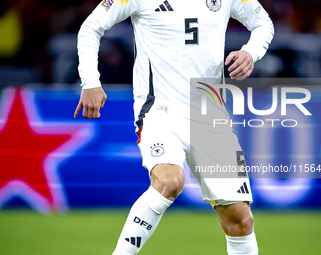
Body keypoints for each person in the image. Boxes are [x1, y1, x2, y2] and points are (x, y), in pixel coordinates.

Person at [74, 0, 274, 254]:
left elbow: (263, 23)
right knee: (169, 181)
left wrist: (250, 52)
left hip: (210, 116)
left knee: (240, 218)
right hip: (160, 111)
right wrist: (90, 80)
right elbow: (91, 26)